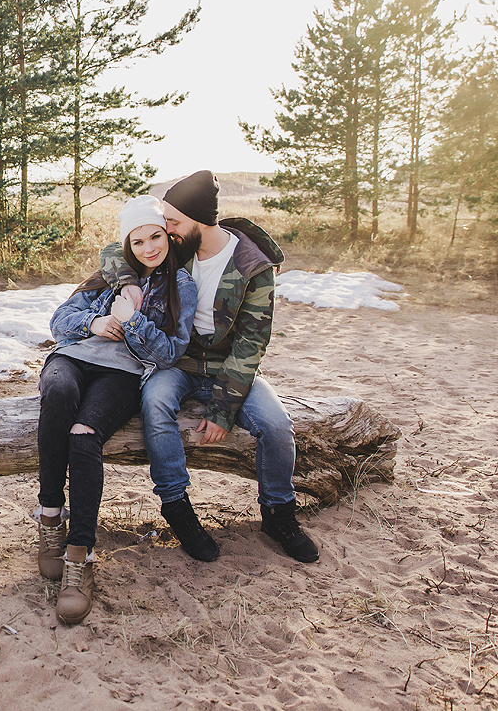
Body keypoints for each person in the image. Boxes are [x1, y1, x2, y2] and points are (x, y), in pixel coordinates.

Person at [98, 170, 319, 565]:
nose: (166, 229)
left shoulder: (253, 266)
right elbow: (115, 251)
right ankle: (177, 507)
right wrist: (129, 282)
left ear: (200, 221)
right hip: (179, 360)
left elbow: (252, 344)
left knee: (276, 425)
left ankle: (279, 513)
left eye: (173, 221)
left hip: (228, 366)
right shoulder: (178, 246)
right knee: (155, 404)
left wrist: (222, 410)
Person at [35, 196, 197, 624]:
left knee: (84, 435)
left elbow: (168, 353)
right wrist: (93, 323)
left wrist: (132, 321)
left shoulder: (182, 286)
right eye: (138, 240)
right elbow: (58, 321)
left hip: (122, 375)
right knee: (56, 398)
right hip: (72, 358)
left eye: (155, 237)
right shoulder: (108, 275)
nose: (149, 248)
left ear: (167, 236)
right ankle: (51, 516)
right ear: (127, 244)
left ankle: (79, 554)